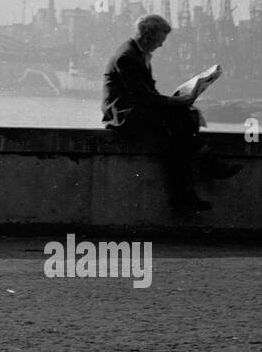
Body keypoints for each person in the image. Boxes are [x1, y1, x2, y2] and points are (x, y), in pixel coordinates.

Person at [102, 13, 241, 211]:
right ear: (148, 36)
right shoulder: (127, 57)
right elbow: (143, 97)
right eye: (160, 39)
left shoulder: (135, 54)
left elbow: (147, 96)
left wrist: (177, 103)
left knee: (179, 134)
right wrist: (176, 102)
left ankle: (189, 191)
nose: (161, 45)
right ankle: (206, 167)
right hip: (124, 116)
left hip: (133, 112)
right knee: (181, 127)